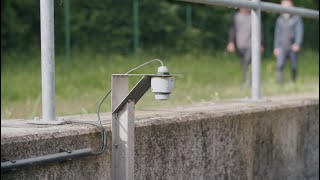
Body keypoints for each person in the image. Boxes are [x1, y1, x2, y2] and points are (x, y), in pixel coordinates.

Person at [227, 8, 264, 87]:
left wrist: (261, 43)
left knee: (247, 62)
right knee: (244, 64)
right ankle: (247, 80)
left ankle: (250, 82)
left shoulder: (254, 16)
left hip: (251, 44)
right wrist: (231, 42)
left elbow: (259, 30)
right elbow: (232, 30)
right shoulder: (236, 16)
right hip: (240, 44)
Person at [274, 0, 303, 83]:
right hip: (282, 46)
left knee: (294, 65)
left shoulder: (296, 19)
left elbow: (299, 31)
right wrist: (276, 47)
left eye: (288, 7)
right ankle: (279, 83)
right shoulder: (279, 20)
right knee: (279, 65)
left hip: (292, 46)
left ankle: (294, 81)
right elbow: (277, 34)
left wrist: (297, 43)